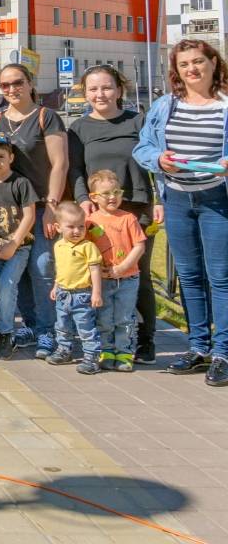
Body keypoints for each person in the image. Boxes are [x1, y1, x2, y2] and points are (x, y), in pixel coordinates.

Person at [134, 39, 228, 386]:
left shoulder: (225, 106)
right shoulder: (165, 105)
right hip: (177, 199)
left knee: (220, 278)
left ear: (214, 63)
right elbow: (143, 147)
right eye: (185, 63)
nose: (192, 69)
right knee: (188, 277)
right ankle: (199, 348)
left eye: (199, 61)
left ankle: (223, 352)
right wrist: (157, 159)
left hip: (218, 199)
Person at [68, 64, 161, 364]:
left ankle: (145, 339)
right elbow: (76, 170)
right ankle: (104, 339)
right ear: (85, 94)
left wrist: (158, 199)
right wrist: (83, 200)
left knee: (138, 275)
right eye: (93, 89)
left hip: (135, 207)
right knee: (101, 275)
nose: (100, 94)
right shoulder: (79, 129)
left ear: (120, 90)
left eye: (106, 87)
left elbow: (154, 162)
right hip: (98, 214)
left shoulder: (138, 121)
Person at [0, 63, 68, 359]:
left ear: (30, 83)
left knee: (42, 267)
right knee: (17, 272)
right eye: (5, 85)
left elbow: (60, 164)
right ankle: (32, 324)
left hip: (40, 205)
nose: (11, 89)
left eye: (17, 83)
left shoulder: (46, 117)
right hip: (9, 210)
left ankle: (49, 329)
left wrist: (52, 205)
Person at [0, 131, 38, 360]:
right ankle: (4, 337)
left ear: (11, 157)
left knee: (6, 287)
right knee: (1, 294)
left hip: (18, 247)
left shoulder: (20, 182)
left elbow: (29, 215)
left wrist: (14, 243)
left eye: (1, 156)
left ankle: (6, 335)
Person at [84, 169, 146, 373]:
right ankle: (107, 351)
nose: (113, 197)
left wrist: (123, 266)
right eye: (106, 193)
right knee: (104, 316)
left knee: (124, 317)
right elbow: (87, 249)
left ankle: (125, 352)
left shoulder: (128, 218)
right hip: (103, 280)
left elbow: (139, 246)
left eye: (116, 192)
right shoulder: (91, 221)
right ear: (93, 197)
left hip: (127, 278)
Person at [45, 202, 104, 375]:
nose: (77, 231)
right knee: (62, 325)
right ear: (58, 227)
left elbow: (95, 270)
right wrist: (56, 286)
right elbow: (61, 268)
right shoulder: (58, 245)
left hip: (82, 294)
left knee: (85, 327)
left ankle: (91, 357)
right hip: (63, 293)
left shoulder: (88, 247)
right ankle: (64, 350)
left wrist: (96, 292)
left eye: (80, 226)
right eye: (70, 227)